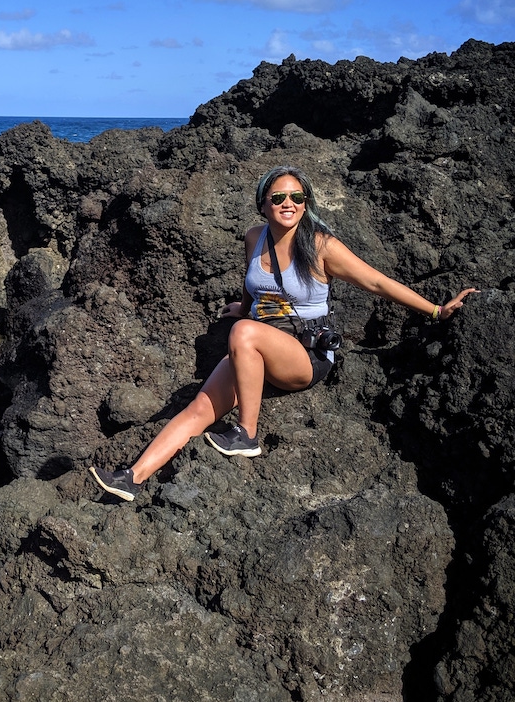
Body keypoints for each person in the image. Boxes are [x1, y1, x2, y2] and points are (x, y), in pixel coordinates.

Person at [89, 164, 478, 502]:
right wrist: (243, 307)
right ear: (263, 204)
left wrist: (436, 310)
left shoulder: (322, 246)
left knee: (243, 332)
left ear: (306, 202)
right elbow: (253, 283)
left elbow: (376, 283)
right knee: (199, 407)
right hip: (258, 345)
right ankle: (132, 477)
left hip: (305, 356)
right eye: (278, 198)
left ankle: (248, 434)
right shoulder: (253, 237)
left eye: (296, 196)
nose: (288, 203)